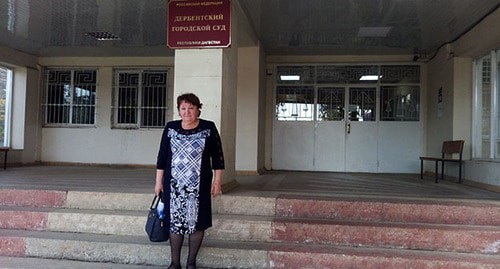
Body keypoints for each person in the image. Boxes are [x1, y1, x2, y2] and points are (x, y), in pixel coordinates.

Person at [155, 93, 224, 269]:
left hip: (199, 186)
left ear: (198, 109)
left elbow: (218, 158)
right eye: (183, 108)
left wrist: (217, 182)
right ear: (179, 111)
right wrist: (158, 183)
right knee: (175, 223)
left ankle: (191, 263)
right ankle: (175, 263)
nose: (187, 112)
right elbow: (162, 158)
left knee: (197, 222)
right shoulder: (171, 128)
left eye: (191, 108)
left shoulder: (208, 127)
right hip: (173, 186)